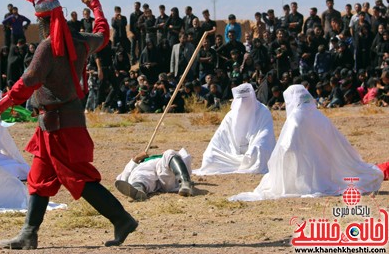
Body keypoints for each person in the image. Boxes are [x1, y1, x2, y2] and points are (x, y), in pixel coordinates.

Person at [0, 0, 137, 249]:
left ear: (44, 21)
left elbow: (27, 82)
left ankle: (122, 219)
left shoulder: (47, 47)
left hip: (60, 125)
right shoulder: (80, 40)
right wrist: (96, 7)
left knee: (78, 178)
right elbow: (102, 33)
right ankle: (28, 234)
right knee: (38, 177)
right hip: (54, 122)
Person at [230, 85, 384, 201]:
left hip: (305, 172)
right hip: (325, 168)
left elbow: (286, 146)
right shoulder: (318, 115)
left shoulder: (296, 118)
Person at [194, 83, 276, 175]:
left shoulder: (263, 112)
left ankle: (247, 159)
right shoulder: (231, 115)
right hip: (231, 153)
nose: (242, 103)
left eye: (245, 99)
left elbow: (265, 135)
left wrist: (254, 148)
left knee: (257, 155)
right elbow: (219, 137)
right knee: (210, 157)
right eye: (239, 99)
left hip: (252, 151)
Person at [115, 148, 193, 201]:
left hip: (166, 173)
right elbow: (123, 178)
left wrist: (172, 156)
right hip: (147, 172)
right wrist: (136, 159)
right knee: (139, 174)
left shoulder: (164, 158)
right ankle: (138, 189)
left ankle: (185, 183)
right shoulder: (141, 163)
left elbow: (187, 165)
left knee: (170, 152)